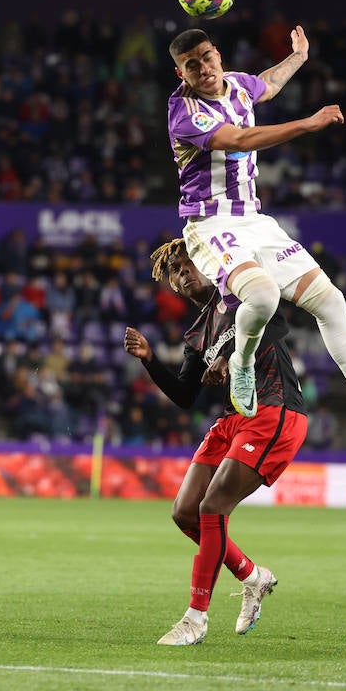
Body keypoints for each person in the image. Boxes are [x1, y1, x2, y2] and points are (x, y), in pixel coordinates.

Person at [166, 26, 346, 424]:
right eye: (191, 65)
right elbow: (239, 140)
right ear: (180, 74)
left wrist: (299, 58)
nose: (202, 68)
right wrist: (307, 124)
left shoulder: (236, 85)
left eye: (206, 57)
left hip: (254, 220)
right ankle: (241, 363)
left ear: (218, 54)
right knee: (264, 296)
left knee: (330, 301)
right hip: (210, 224)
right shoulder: (185, 112)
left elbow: (266, 85)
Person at [123, 237, 307, 646]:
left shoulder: (243, 296)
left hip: (272, 409)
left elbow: (275, 321)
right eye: (175, 271)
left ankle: (195, 620)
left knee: (213, 506)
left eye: (188, 263)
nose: (183, 272)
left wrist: (231, 356)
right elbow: (186, 397)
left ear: (208, 262)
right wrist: (151, 361)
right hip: (232, 421)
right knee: (185, 512)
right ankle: (253, 576)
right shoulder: (196, 333)